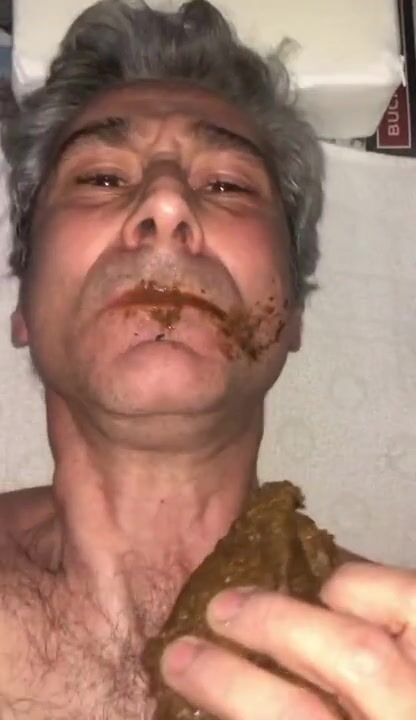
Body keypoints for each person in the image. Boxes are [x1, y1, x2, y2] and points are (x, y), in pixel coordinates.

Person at [0, 1, 414, 718]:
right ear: (25, 308)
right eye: (101, 178)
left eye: (227, 185)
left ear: (293, 314)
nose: (166, 204)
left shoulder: (401, 654)